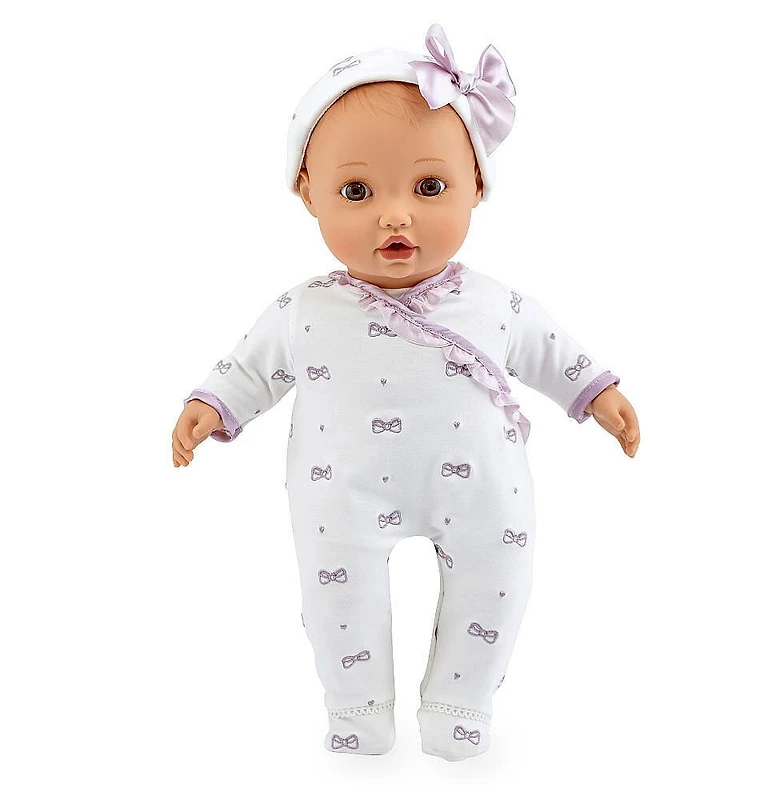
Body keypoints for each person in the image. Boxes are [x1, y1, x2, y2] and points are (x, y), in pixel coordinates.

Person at [171, 23, 640, 761]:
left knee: (496, 582)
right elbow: (250, 367)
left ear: (476, 185)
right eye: (357, 191)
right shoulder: (304, 310)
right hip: (341, 490)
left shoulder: (496, 303)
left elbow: (553, 352)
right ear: (308, 194)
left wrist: (596, 394)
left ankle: (460, 705)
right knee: (338, 598)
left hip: (484, 488)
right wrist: (212, 406)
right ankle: (357, 712)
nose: (395, 214)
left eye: (429, 187)